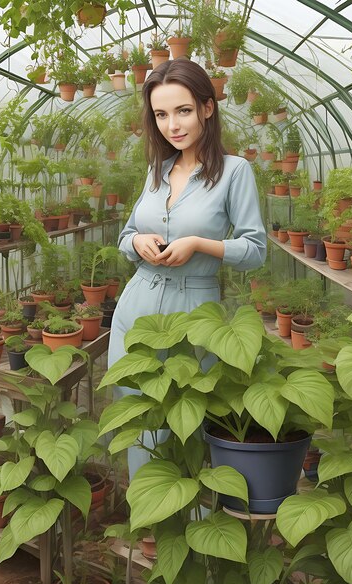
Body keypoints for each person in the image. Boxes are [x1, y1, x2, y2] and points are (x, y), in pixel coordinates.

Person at [108, 58, 267, 476]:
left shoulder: (235, 172)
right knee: (136, 419)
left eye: (182, 110)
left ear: (206, 108)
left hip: (192, 314)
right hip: (134, 309)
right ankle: (149, 528)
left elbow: (255, 249)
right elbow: (125, 236)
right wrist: (137, 241)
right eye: (161, 114)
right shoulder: (156, 171)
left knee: (182, 427)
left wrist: (200, 244)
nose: (172, 125)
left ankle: (188, 526)